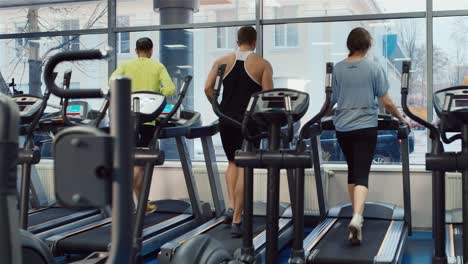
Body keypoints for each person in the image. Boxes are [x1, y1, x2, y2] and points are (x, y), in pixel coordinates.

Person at [331, 27, 411, 245]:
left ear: (350, 44)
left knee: (352, 171)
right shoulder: (374, 68)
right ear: (367, 45)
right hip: (366, 126)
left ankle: (356, 217)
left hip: (343, 128)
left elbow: (332, 100)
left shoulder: (337, 69)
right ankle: (357, 217)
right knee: (362, 174)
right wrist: (402, 118)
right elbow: (386, 102)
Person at [204, 26, 274, 237]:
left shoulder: (221, 62)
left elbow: (208, 88)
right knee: (245, 165)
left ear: (237, 41)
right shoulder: (262, 64)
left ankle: (233, 208)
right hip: (249, 121)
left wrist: (218, 108)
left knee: (233, 162)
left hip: (226, 119)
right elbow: (268, 96)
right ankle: (236, 220)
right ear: (254, 42)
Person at [110, 37, 175, 212]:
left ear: (135, 50)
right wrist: (155, 94)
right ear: (151, 50)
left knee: (130, 161)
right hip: (148, 121)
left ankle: (141, 203)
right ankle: (135, 201)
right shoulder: (157, 66)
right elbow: (170, 89)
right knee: (139, 164)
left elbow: (112, 81)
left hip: (127, 119)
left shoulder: (126, 66)